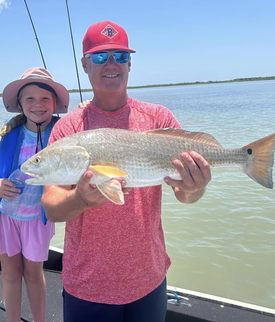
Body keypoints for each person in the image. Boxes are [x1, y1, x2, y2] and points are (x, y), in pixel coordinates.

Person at [41, 20, 211, 322]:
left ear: (130, 63)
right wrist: (80, 200)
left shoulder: (159, 118)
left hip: (149, 278)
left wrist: (196, 186)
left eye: (120, 56)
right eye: (100, 57)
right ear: (84, 64)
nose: (111, 64)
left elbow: (185, 196)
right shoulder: (68, 128)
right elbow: (52, 208)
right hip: (88, 284)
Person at [0, 67, 69, 322]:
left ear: (55, 103)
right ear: (19, 104)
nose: (38, 104)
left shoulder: (63, 133)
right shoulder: (7, 132)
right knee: (10, 273)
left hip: (38, 219)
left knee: (34, 274)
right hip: (4, 217)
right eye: (30, 99)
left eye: (45, 98)